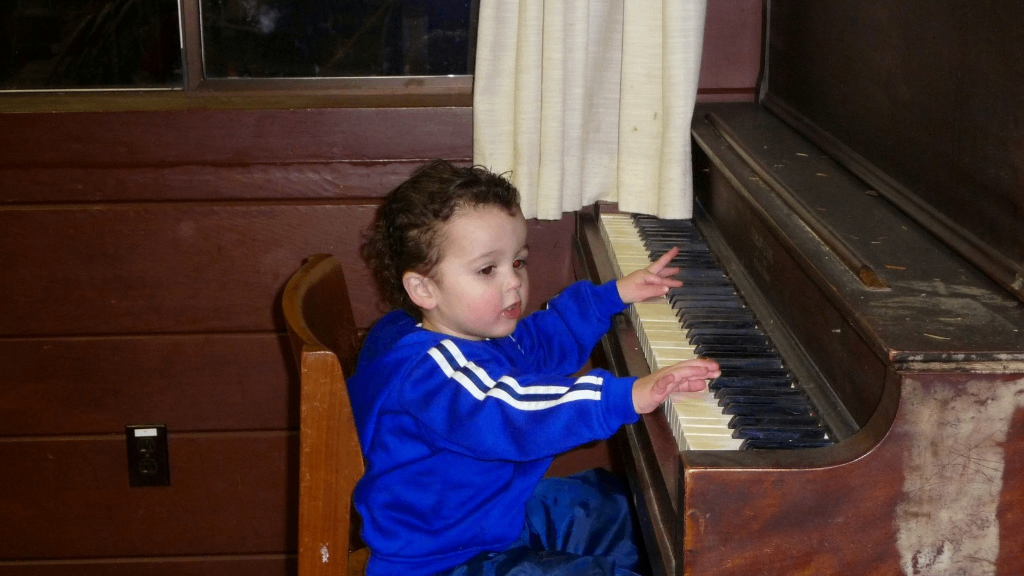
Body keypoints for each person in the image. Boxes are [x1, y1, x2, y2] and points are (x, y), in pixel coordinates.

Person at [349, 160, 720, 576]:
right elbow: (515, 410)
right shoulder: (430, 372)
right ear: (423, 288)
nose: (513, 283)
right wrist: (626, 395)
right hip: (446, 560)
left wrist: (610, 297)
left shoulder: (480, 335)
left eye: (518, 262)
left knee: (627, 510)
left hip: (494, 519)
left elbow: (540, 343)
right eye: (488, 269)